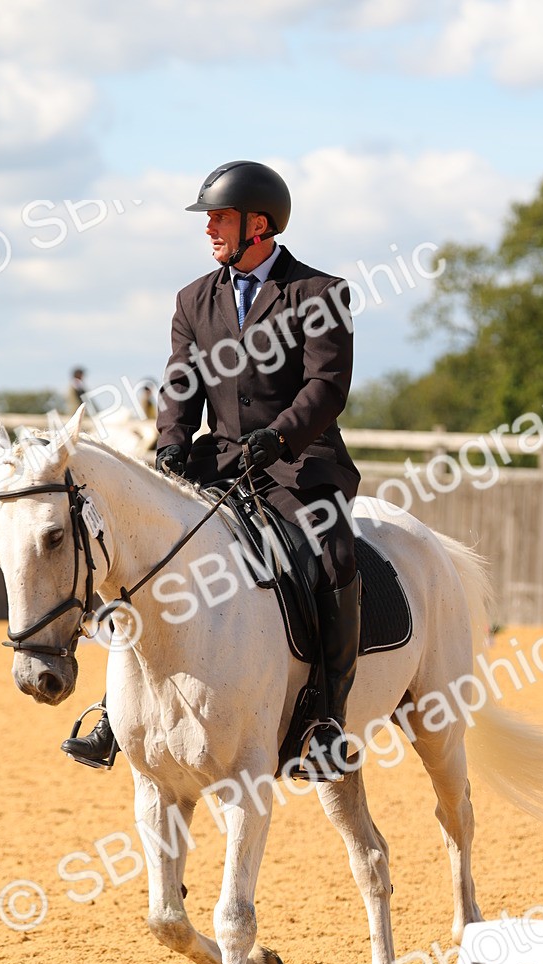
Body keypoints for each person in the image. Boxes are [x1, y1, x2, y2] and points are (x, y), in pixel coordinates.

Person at [62, 160, 360, 779]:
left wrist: (276, 439)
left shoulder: (320, 293)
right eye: (210, 219)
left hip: (298, 465)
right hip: (218, 461)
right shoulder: (194, 299)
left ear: (260, 224)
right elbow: (180, 383)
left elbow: (327, 387)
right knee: (143, 554)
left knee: (330, 557)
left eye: (219, 217)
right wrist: (171, 442)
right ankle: (118, 713)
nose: (210, 230)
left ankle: (325, 721)